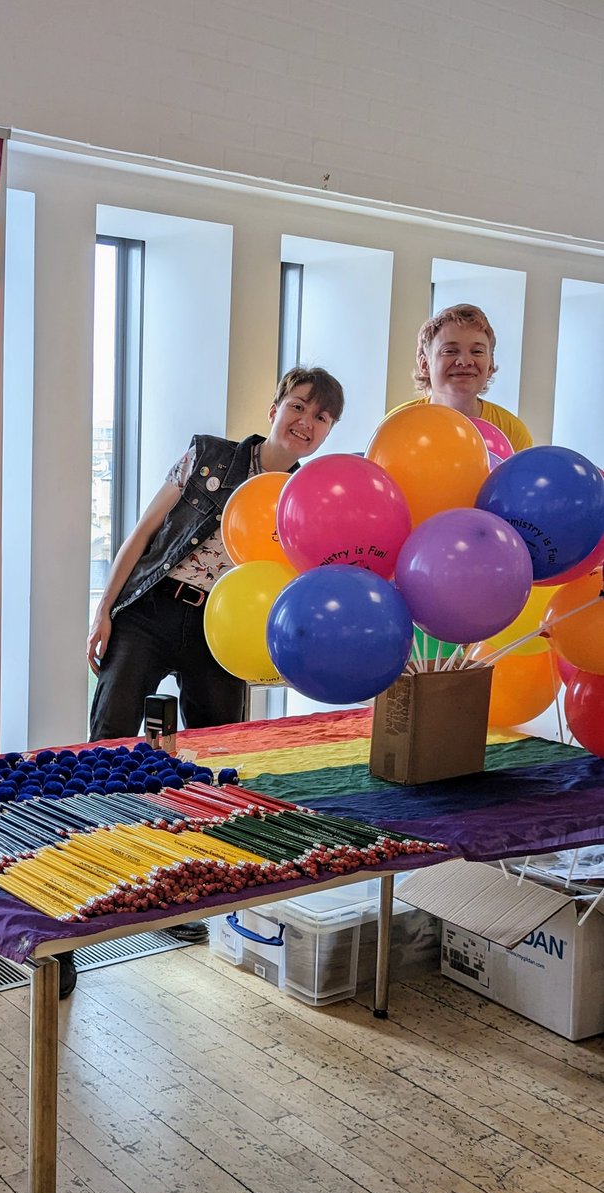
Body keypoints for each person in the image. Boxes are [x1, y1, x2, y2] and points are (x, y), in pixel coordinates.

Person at [57, 366, 345, 1000]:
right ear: (274, 407)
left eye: (320, 417)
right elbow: (142, 534)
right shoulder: (210, 457)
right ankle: (71, 917)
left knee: (215, 757)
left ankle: (193, 895)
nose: (305, 422)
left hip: (225, 631)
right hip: (155, 608)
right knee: (107, 740)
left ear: (328, 432)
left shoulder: (308, 496)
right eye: (297, 406)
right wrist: (104, 608)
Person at [401, 304, 533, 452]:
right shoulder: (397, 424)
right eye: (450, 351)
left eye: (477, 351)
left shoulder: (511, 432)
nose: (465, 361)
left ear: (490, 366)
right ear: (425, 365)